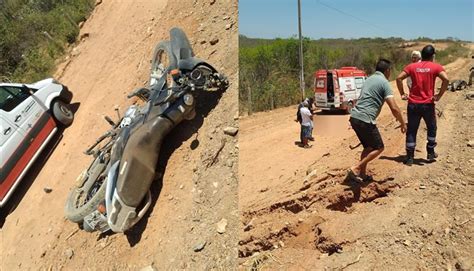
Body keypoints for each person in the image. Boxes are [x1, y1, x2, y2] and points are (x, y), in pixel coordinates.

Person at [348, 59, 406, 181]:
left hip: (354, 117)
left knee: (368, 148)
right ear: (387, 70)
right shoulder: (384, 83)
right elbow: (394, 108)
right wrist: (402, 123)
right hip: (365, 119)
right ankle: (356, 168)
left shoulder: (368, 79)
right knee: (379, 147)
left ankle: (362, 175)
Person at [396, 45, 449, 165]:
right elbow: (446, 80)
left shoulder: (412, 66)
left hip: (413, 104)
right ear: (433, 56)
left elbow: (399, 78)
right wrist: (439, 95)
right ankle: (430, 152)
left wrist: (402, 94)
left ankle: (409, 157)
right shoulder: (436, 67)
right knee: (432, 127)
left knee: (412, 130)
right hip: (428, 105)